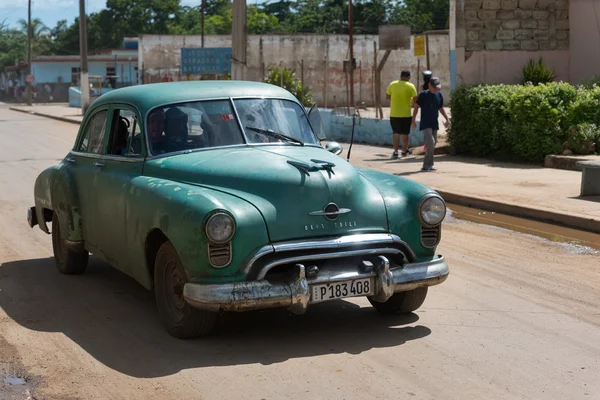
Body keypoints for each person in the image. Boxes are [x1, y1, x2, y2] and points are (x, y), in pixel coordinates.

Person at [412, 76, 450, 172]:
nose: (436, 89)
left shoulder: (438, 95)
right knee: (431, 142)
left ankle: (431, 164)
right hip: (425, 123)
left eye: (437, 87)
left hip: (434, 122)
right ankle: (425, 165)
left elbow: (440, 108)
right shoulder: (423, 95)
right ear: (429, 85)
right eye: (434, 87)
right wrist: (413, 121)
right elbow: (416, 107)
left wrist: (447, 119)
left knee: (433, 144)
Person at [386, 70, 418, 158]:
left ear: (401, 76)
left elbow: (387, 96)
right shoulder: (411, 86)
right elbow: (415, 99)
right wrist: (410, 100)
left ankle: (395, 152)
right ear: (408, 77)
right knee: (405, 133)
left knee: (396, 133)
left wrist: (395, 100)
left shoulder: (392, 84)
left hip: (394, 113)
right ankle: (404, 151)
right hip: (406, 114)